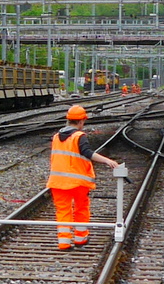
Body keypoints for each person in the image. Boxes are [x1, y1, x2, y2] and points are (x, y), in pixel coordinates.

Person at [47, 104, 121, 250]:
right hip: (78, 182)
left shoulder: (56, 137)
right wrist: (107, 160)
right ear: (81, 122)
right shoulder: (79, 137)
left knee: (63, 211)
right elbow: (87, 153)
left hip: (58, 181)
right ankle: (80, 238)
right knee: (81, 209)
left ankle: (64, 243)